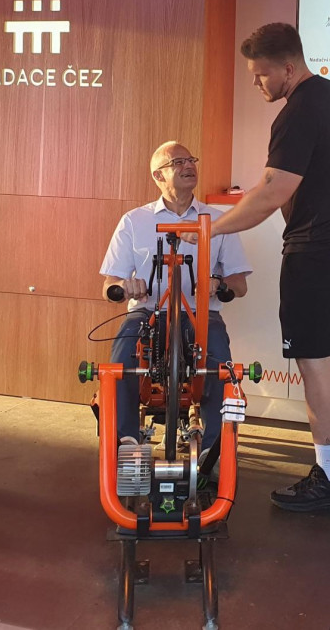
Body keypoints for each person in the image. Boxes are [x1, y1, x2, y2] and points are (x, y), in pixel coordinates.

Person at [198, 22, 330, 512]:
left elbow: (272, 192)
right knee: (326, 343)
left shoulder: (298, 111)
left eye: (261, 74)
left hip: (318, 249)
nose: (257, 83)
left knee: (313, 357)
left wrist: (210, 230)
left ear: (289, 67)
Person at [100, 141, 252, 457]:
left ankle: (213, 451)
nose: (189, 166)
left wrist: (218, 283)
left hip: (200, 314)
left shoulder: (218, 220)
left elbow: (239, 284)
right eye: (178, 162)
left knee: (219, 364)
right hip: (146, 312)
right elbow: (109, 285)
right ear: (158, 176)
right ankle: (127, 443)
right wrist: (125, 286)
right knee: (121, 359)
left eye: (191, 160)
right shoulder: (134, 220)